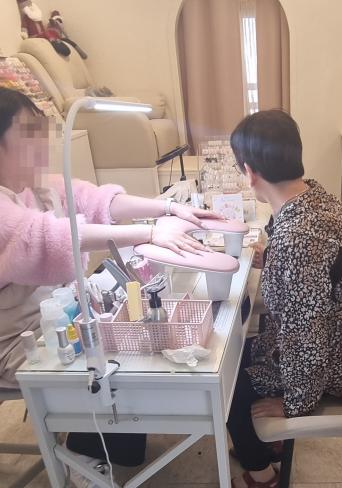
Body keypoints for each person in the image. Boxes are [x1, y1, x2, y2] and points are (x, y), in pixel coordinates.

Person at [0, 87, 221, 487]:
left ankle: (109, 441)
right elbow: (45, 236)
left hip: (65, 312)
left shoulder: (36, 186)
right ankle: (83, 453)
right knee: (121, 363)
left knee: (130, 338)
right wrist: (149, 232)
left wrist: (169, 207)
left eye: (41, 128)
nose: (42, 140)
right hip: (20, 340)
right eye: (27, 131)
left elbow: (97, 200)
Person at [227, 110, 342, 488]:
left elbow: (306, 338)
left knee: (227, 385)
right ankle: (264, 445)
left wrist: (294, 403)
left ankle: (262, 474)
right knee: (242, 352)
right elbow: (318, 269)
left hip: (341, 366)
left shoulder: (297, 242)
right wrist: (274, 258)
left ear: (249, 172)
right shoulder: (314, 197)